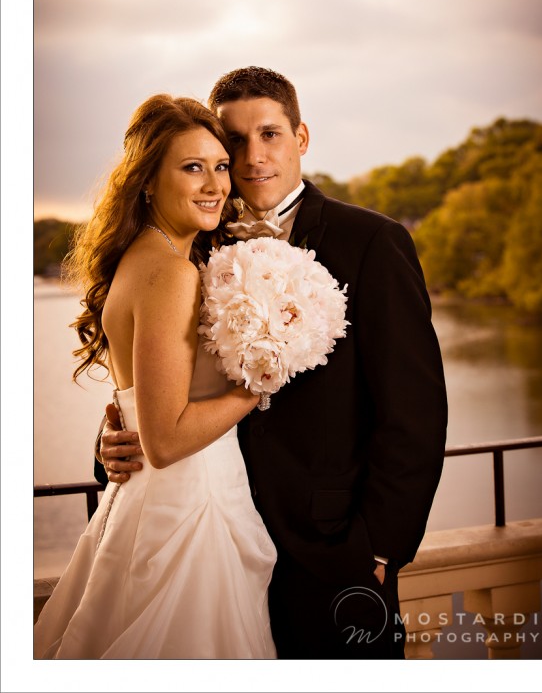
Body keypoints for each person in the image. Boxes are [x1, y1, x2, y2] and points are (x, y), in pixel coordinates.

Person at [97, 67, 449, 659]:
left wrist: (380, 553)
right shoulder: (192, 243)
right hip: (214, 540)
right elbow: (161, 388)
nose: (253, 156)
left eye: (270, 134)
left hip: (331, 557)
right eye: (234, 141)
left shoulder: (372, 243)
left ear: (301, 137)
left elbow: (414, 414)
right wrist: (114, 442)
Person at [34, 94, 277, 659]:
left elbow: (141, 403)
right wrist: (256, 385)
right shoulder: (170, 272)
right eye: (192, 167)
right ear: (146, 181)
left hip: (154, 499)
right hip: (191, 508)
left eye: (220, 166)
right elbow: (165, 440)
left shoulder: (149, 258)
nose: (215, 183)